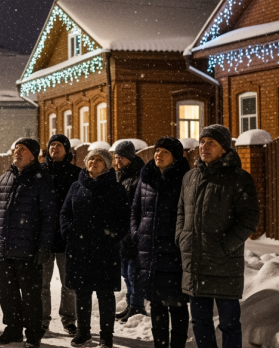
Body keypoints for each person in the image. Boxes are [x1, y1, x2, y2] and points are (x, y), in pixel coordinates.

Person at [177, 125, 259, 348]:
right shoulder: (190, 177)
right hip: (195, 261)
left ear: (224, 149)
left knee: (229, 323)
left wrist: (224, 246)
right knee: (200, 322)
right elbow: (182, 212)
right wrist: (181, 238)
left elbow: (249, 219)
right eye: (202, 141)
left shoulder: (238, 178)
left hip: (224, 264)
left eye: (211, 142)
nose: (204, 146)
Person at [0, 138, 56, 348]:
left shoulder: (42, 179)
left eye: (22, 149)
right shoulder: (4, 178)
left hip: (29, 249)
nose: (17, 151)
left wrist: (44, 246)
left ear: (33, 155)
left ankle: (33, 335)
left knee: (31, 296)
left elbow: (49, 216)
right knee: (7, 293)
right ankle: (13, 330)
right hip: (5, 247)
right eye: (15, 148)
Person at [61, 148, 130, 348]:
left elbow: (124, 220)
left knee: (105, 294)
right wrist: (68, 232)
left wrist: (110, 237)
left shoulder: (116, 189)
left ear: (107, 165)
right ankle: (83, 333)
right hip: (79, 249)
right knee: (82, 293)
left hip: (105, 252)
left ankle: (106, 336)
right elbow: (65, 213)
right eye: (91, 159)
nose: (94, 162)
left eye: (99, 160)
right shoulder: (76, 186)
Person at [131, 137, 191, 348]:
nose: (159, 155)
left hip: (174, 252)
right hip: (150, 251)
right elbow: (136, 210)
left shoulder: (184, 179)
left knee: (177, 304)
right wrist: (136, 233)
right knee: (156, 305)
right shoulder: (146, 177)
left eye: (165, 152)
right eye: (157, 151)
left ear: (174, 157)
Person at [39, 134, 80, 336]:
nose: (55, 148)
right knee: (42, 284)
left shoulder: (76, 174)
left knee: (69, 284)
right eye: (52, 145)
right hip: (43, 237)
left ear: (67, 150)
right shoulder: (39, 172)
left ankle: (69, 320)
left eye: (59, 145)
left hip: (67, 237)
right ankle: (42, 320)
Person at [112, 140, 146, 322]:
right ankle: (130, 304)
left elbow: (135, 207)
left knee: (133, 273)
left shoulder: (137, 177)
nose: (117, 162)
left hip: (132, 232)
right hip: (122, 233)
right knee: (125, 272)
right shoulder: (121, 176)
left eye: (121, 158)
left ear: (130, 158)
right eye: (116, 158)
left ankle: (137, 306)